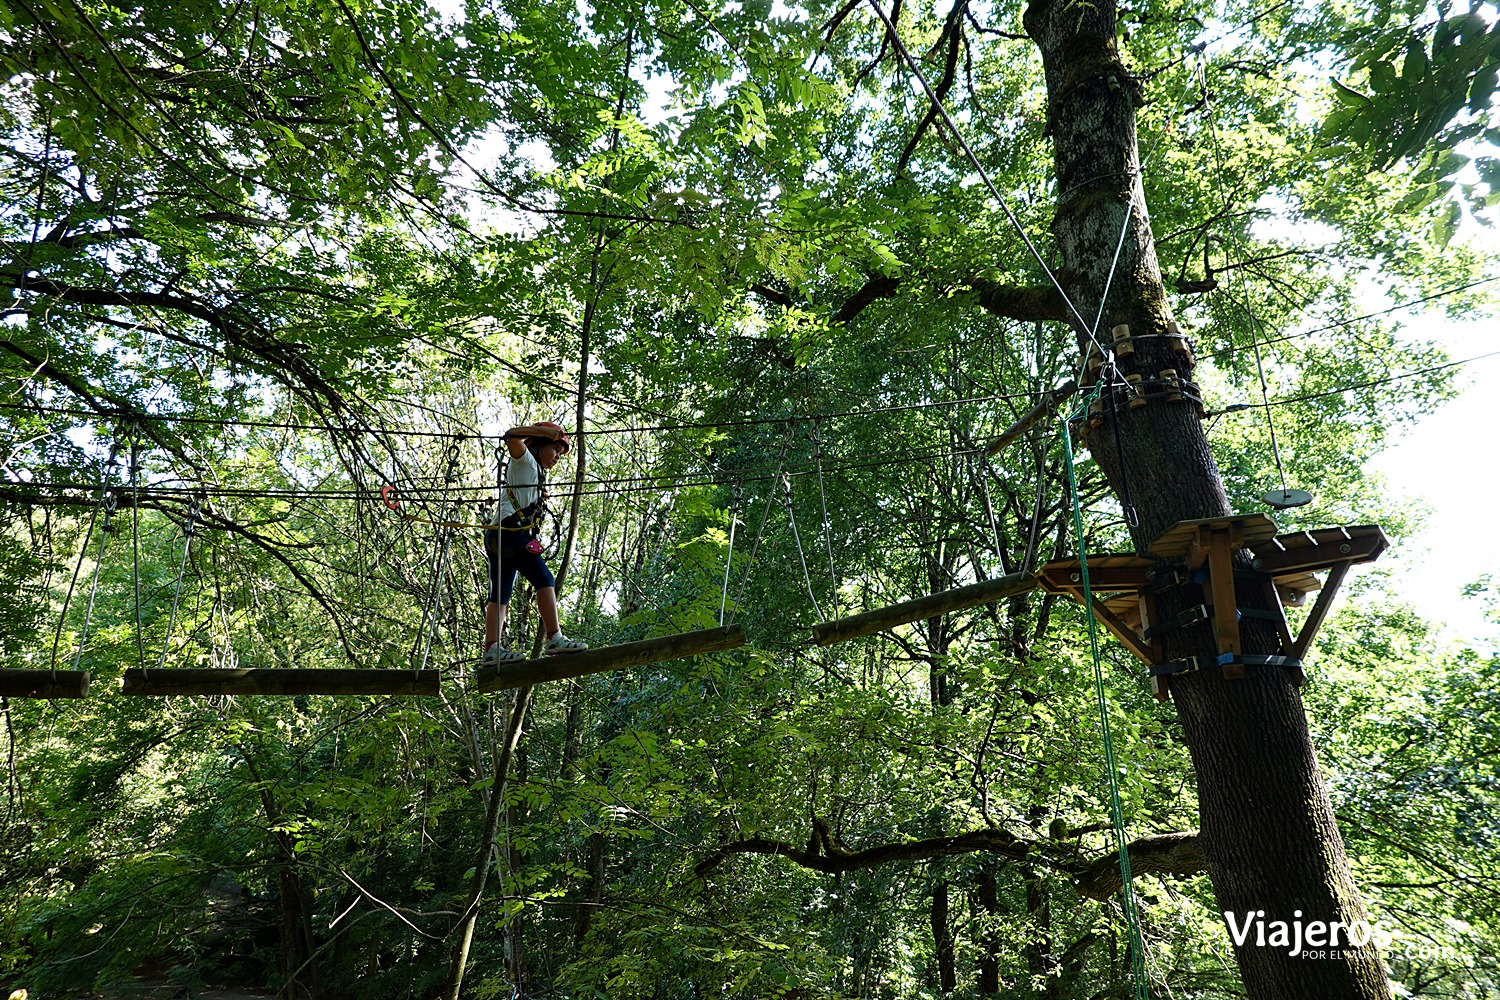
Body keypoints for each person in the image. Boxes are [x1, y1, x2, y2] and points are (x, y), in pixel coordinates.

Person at [482, 421, 588, 664]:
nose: (557, 457)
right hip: (511, 533)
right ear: (538, 445)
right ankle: (554, 637)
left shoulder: (533, 472)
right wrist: (542, 432)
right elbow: (511, 437)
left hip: (499, 537)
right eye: (554, 449)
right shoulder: (525, 460)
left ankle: (491, 649)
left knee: (500, 595)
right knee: (544, 579)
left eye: (560, 453)